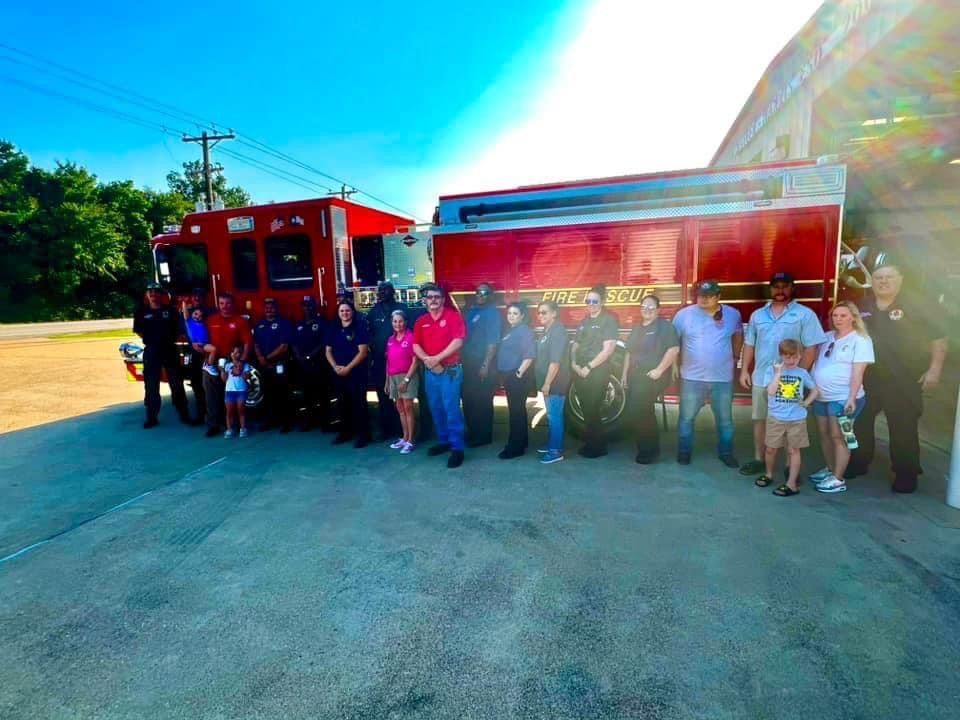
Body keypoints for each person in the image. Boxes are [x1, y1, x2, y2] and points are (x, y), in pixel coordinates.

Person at [847, 261, 948, 493]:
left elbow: (938, 338)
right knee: (860, 422)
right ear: (872, 281)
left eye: (889, 277)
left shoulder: (917, 305)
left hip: (903, 378)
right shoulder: (862, 305)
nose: (883, 281)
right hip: (868, 378)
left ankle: (906, 473)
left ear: (900, 280)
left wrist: (935, 369)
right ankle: (859, 461)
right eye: (878, 277)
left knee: (903, 427)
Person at [738, 272, 826, 476]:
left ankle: (789, 466)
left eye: (784, 286)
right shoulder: (758, 315)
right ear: (770, 289)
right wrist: (744, 370)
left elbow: (811, 348)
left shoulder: (805, 314)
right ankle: (759, 460)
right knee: (760, 419)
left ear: (792, 288)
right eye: (776, 286)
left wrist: (798, 375)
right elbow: (749, 344)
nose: (780, 290)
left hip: (789, 382)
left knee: (788, 423)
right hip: (762, 377)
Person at [672, 280, 743, 467]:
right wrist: (673, 364)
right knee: (686, 418)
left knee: (725, 420)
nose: (704, 299)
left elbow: (738, 335)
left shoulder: (733, 314)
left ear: (719, 297)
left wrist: (736, 356)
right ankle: (684, 452)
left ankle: (726, 453)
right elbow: (673, 342)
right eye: (701, 295)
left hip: (722, 378)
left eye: (709, 295)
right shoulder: (683, 315)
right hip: (691, 377)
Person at [809, 301, 875, 494]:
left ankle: (838, 478)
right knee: (824, 434)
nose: (838, 319)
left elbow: (858, 372)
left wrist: (851, 397)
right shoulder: (828, 336)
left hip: (842, 397)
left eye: (843, 315)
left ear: (853, 317)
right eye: (835, 315)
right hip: (821, 395)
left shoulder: (861, 339)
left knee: (839, 436)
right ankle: (830, 469)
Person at [755, 339, 819, 496]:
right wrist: (778, 373)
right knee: (771, 448)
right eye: (787, 357)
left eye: (795, 357)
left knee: (793, 450)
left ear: (800, 356)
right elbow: (770, 391)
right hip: (776, 416)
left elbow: (815, 390)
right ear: (781, 355)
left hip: (796, 418)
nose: (791, 360)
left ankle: (791, 483)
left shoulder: (802, 373)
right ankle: (768, 474)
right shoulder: (772, 370)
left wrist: (806, 403)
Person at [413, 283, 467, 468]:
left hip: (450, 371)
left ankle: (457, 449)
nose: (433, 300)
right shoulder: (421, 321)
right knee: (436, 408)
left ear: (443, 300)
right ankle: (444, 441)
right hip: (431, 372)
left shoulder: (453, 317)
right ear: (425, 300)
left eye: (437, 297)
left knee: (451, 409)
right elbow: (415, 345)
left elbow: (458, 341)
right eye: (430, 297)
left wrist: (437, 358)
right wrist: (428, 360)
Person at [621, 295, 679, 464]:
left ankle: (648, 451)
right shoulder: (637, 328)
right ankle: (647, 448)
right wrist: (624, 374)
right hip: (636, 374)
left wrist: (659, 370)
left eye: (651, 307)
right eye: (644, 306)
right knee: (643, 410)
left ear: (658, 310)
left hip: (653, 375)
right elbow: (628, 353)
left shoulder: (665, 327)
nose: (647, 310)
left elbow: (673, 349)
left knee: (640, 408)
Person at [133, 281, 191, 428]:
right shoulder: (141, 312)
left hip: (169, 350)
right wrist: (152, 340)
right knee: (151, 385)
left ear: (161, 295)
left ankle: (184, 413)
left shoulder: (171, 311)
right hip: (152, 351)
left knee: (176, 383)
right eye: (150, 292)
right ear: (147, 295)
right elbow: (139, 331)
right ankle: (151, 417)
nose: (154, 295)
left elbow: (179, 329)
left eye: (156, 292)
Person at [570, 285, 619, 458]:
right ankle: (591, 442)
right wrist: (574, 363)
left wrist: (589, 367)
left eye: (595, 301)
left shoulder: (609, 321)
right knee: (585, 407)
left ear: (602, 302)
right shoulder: (585, 321)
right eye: (588, 301)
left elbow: (608, 349)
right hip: (580, 369)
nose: (591, 304)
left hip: (597, 370)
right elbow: (575, 344)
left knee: (592, 407)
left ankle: (599, 447)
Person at [204, 292, 253, 438]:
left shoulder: (240, 321)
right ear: (218, 305)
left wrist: (242, 361)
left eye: (228, 303)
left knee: (232, 394)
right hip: (213, 361)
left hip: (232, 361)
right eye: (222, 303)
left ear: (233, 304)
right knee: (211, 394)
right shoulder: (211, 320)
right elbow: (202, 340)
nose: (225, 306)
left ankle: (234, 426)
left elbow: (247, 342)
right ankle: (213, 425)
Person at [461, 283, 502, 448]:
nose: (480, 295)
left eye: (484, 292)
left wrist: (486, 364)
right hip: (468, 362)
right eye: (478, 292)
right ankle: (472, 432)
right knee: (468, 399)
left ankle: (483, 436)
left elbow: (493, 341)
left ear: (490, 296)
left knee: (482, 401)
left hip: (483, 363)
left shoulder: (493, 313)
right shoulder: (472, 311)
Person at [325, 300, 371, 447]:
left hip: (356, 373)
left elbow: (363, 352)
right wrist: (335, 366)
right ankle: (346, 432)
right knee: (343, 403)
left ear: (352, 312)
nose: (345, 313)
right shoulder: (334, 328)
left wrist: (348, 368)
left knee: (359, 404)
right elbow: (328, 351)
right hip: (339, 372)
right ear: (338, 313)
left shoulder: (359, 327)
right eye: (342, 311)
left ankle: (364, 435)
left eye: (347, 310)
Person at [365, 282, 405, 441]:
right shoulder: (373, 312)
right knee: (383, 395)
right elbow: (368, 334)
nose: (381, 293)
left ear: (393, 292)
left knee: (401, 396)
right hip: (380, 360)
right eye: (380, 290)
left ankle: (402, 429)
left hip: (399, 360)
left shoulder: (402, 308)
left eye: (385, 290)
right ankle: (386, 429)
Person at [496, 302, 536, 459]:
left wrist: (518, 373)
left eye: (515, 313)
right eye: (509, 313)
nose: (511, 316)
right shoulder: (511, 330)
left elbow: (529, 355)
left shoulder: (524, 331)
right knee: (517, 411)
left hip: (517, 378)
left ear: (522, 316)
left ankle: (515, 447)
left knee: (516, 413)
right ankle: (522, 442)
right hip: (509, 377)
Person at [535, 301, 571, 465]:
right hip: (548, 381)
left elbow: (555, 362)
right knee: (551, 415)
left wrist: (547, 383)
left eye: (544, 312)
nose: (540, 315)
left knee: (554, 416)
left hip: (555, 382)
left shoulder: (557, 332)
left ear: (554, 313)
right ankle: (552, 444)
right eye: (539, 312)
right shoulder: (547, 331)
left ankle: (555, 451)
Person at [253, 297, 295, 433]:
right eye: (267, 307)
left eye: (272, 307)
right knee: (267, 393)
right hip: (264, 365)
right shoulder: (259, 325)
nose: (269, 309)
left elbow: (284, 346)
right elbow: (255, 344)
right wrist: (260, 357)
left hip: (279, 364)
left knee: (282, 393)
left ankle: (286, 422)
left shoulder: (284, 323)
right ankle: (270, 420)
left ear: (276, 308)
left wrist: (267, 358)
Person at [291, 296, 331, 431]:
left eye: (310, 306)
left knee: (322, 393)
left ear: (315, 307)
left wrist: (310, 356)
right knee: (307, 394)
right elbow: (293, 342)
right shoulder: (299, 324)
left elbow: (324, 343)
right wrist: (298, 356)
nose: (307, 308)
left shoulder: (322, 323)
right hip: (303, 365)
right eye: (305, 306)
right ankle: (309, 420)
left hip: (318, 364)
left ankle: (325, 422)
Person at [384, 309, 419, 454]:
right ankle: (404, 437)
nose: (397, 324)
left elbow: (415, 361)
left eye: (400, 321)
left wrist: (406, 380)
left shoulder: (411, 337)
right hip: (393, 377)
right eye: (395, 321)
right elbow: (388, 361)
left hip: (407, 376)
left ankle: (411, 440)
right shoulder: (390, 340)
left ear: (405, 322)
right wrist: (387, 381)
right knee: (400, 408)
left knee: (408, 407)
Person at [221, 345, 253, 438]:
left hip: (241, 390)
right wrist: (222, 370)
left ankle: (243, 428)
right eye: (234, 353)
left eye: (238, 353)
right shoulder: (227, 365)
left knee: (241, 410)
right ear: (231, 354)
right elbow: (224, 379)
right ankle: (229, 429)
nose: (236, 354)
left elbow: (246, 377)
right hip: (229, 391)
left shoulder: (245, 365)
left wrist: (239, 368)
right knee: (229, 412)